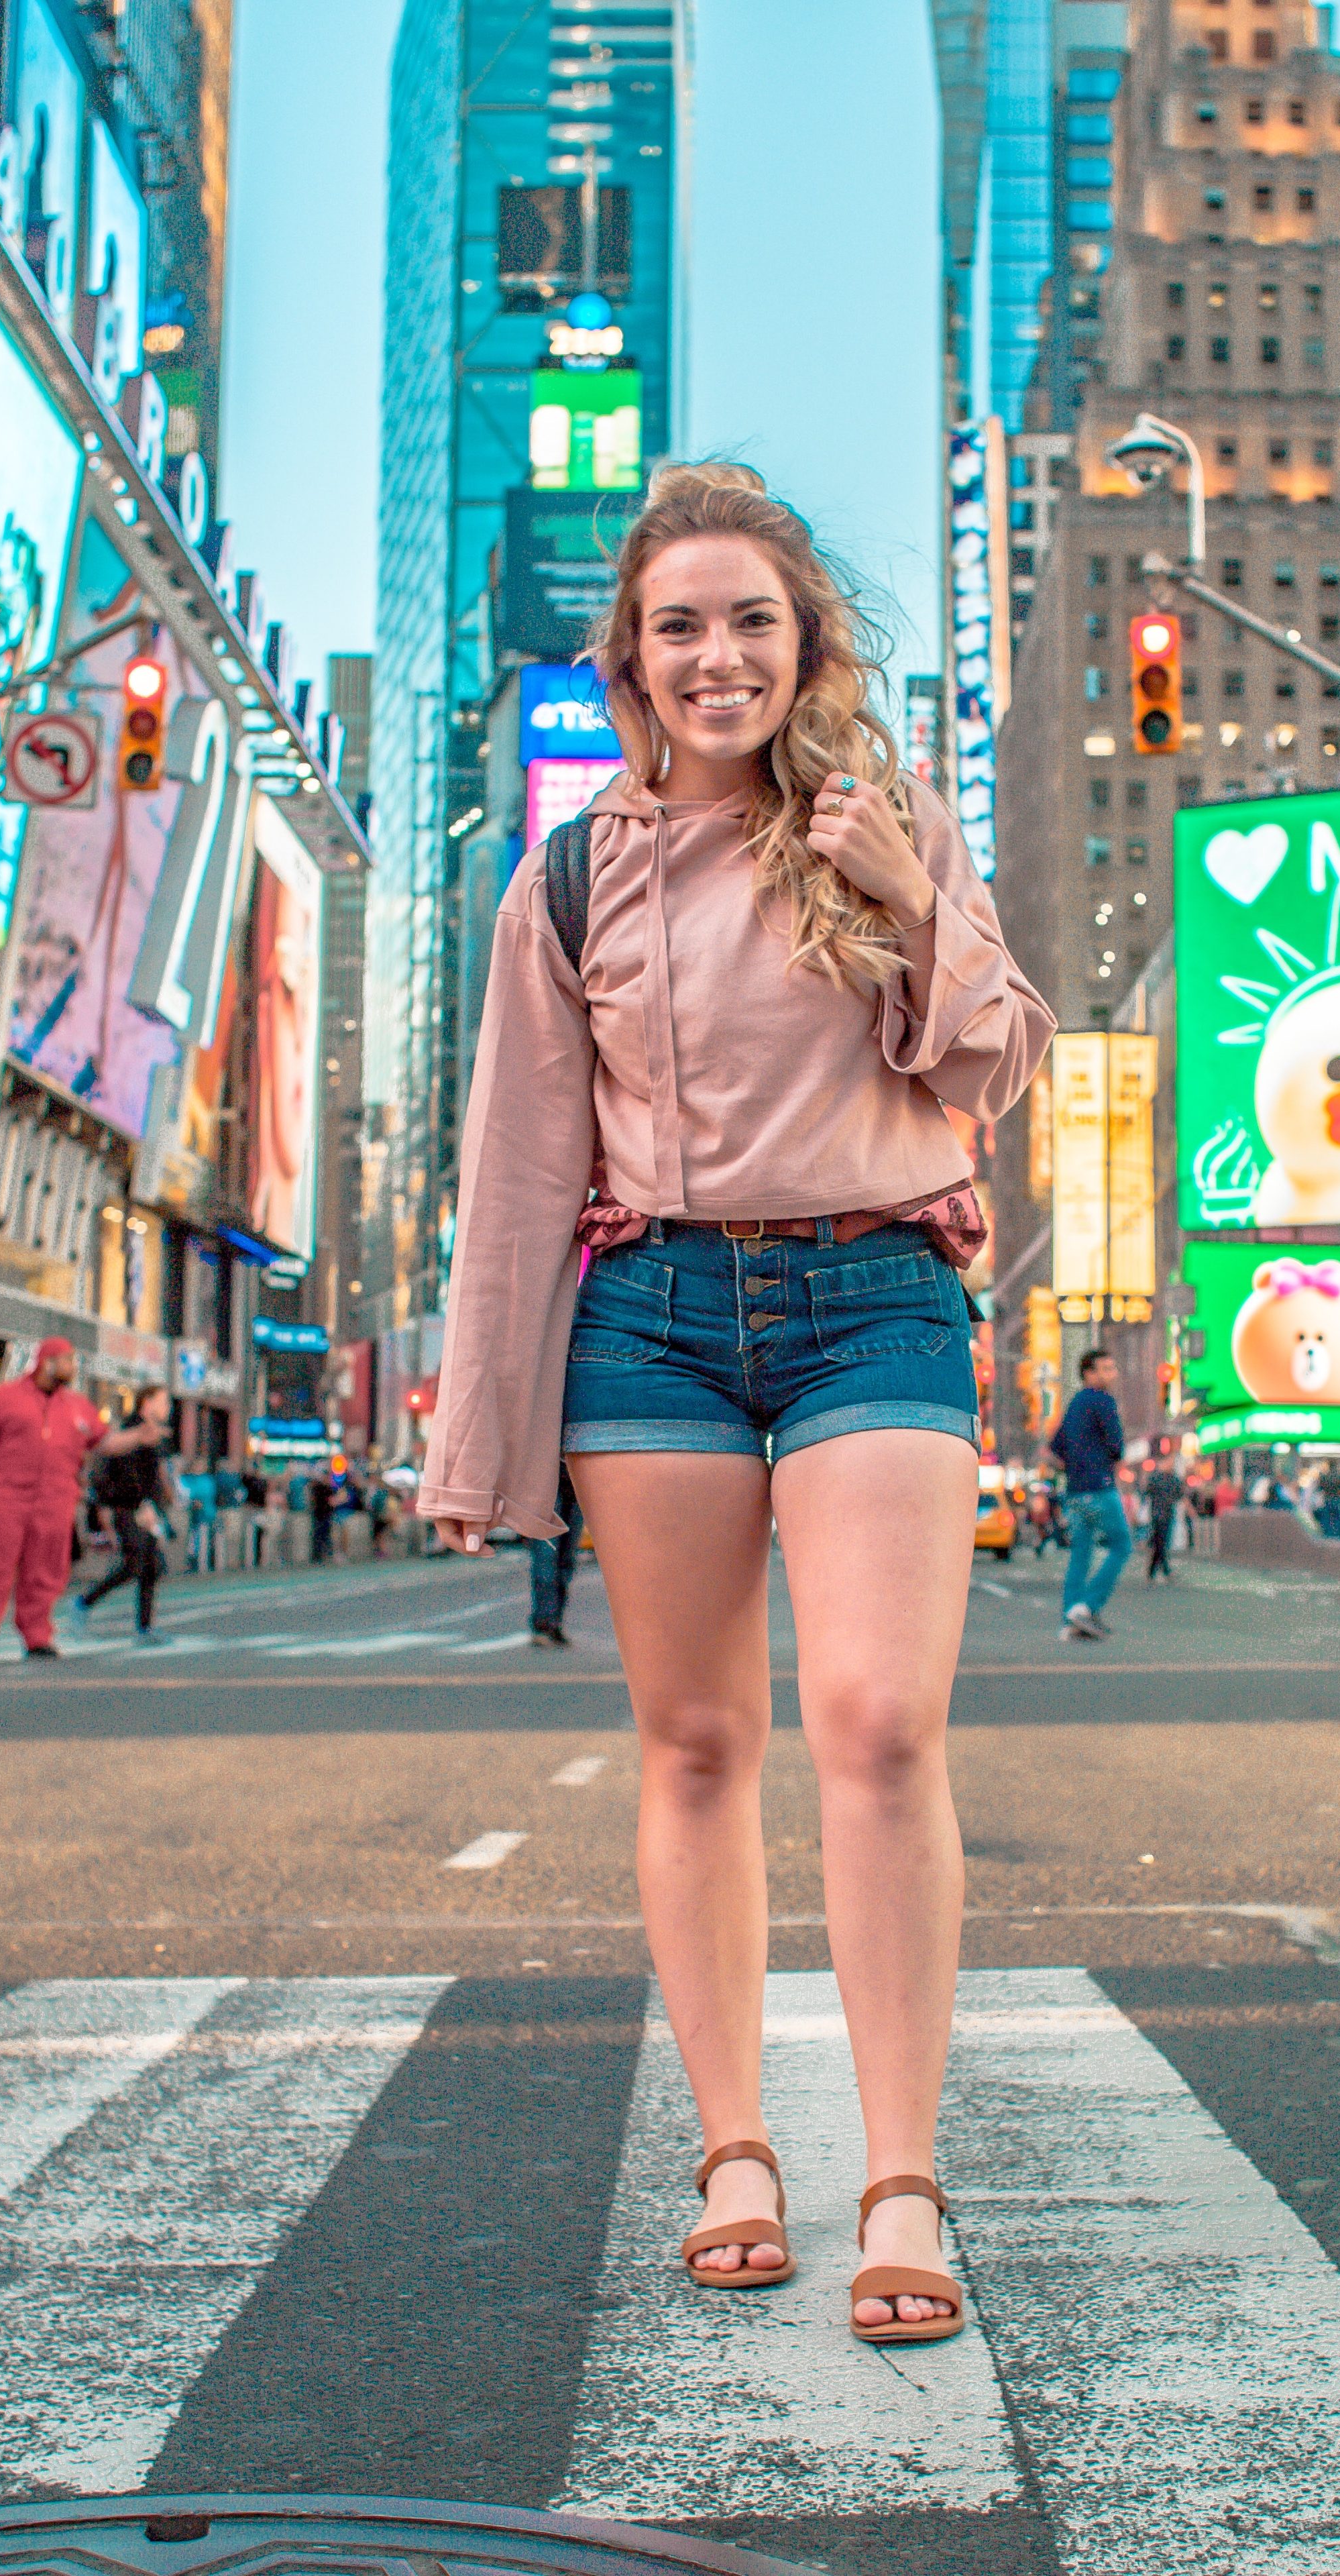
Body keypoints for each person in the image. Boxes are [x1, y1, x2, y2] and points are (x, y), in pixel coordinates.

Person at [418, 462, 1050, 2345]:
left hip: (874, 1297)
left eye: (751, 623)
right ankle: (734, 2151)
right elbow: (522, 1164)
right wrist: (480, 1433)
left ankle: (903, 2175)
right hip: (658, 1321)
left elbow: (1000, 1059)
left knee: (874, 1722)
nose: (718, 657)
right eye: (680, 627)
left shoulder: (893, 815)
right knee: (697, 1747)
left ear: (803, 647)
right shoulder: (566, 873)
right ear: (630, 661)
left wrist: (909, 892)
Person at [0, 1339, 146, 1658]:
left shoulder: (77, 1406)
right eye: (68, 1361)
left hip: (55, 1502)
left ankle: (37, 1635)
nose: (73, 1367)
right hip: (6, 1498)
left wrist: (140, 1435)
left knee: (46, 1571)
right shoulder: (3, 1398)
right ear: (47, 1363)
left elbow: (105, 1442)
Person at [72, 1394, 173, 1636]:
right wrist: (111, 1505)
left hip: (145, 1509)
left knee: (151, 1565)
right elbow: (115, 1472)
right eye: (163, 1402)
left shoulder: (154, 1437)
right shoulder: (130, 1432)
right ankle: (85, 1602)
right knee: (135, 1564)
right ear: (147, 1403)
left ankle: (145, 1627)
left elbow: (152, 1478)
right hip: (127, 1508)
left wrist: (155, 1505)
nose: (168, 1408)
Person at [1051, 1352, 1131, 1640]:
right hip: (1099, 1486)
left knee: (1081, 1555)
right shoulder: (1103, 1401)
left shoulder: (1075, 1404)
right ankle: (1088, 1607)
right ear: (1088, 1372)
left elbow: (1056, 1446)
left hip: (1075, 1490)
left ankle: (1071, 1620)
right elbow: (1116, 1444)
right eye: (1106, 1369)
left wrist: (1074, 1464)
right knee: (1122, 1545)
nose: (1113, 1373)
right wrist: (1104, 1460)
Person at [525, 1464, 585, 1646]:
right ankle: (544, 1623)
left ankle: (554, 1622)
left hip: (575, 1487)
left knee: (565, 1562)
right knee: (546, 1561)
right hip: (545, 1490)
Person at [1135, 1440, 1186, 1584]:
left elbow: (1178, 1494)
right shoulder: (1159, 1478)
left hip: (1165, 1514)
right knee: (1161, 1542)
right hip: (1159, 1514)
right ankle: (1164, 1570)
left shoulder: (1170, 1479)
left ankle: (1155, 1571)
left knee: (1160, 1543)